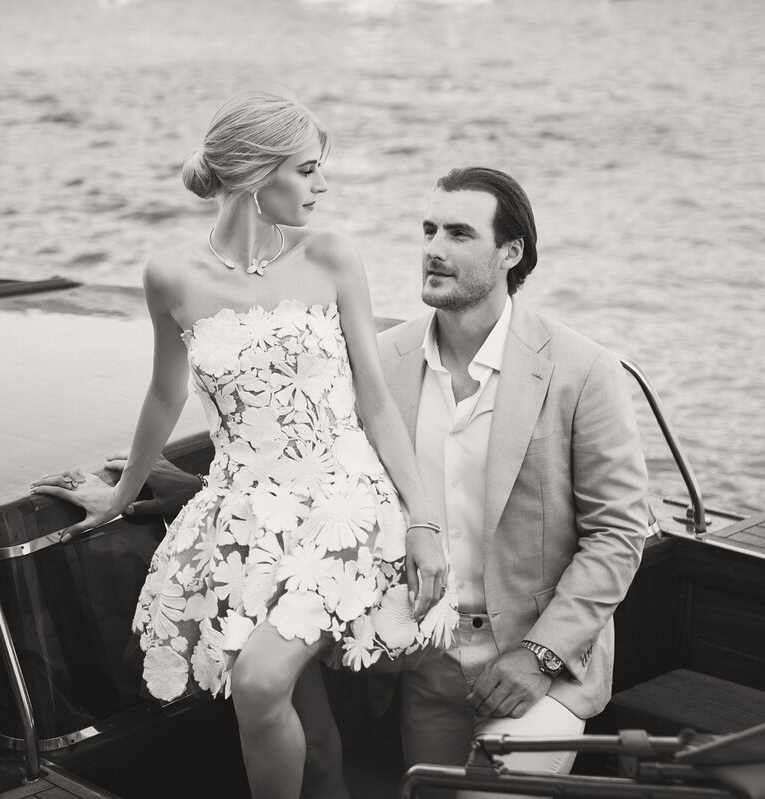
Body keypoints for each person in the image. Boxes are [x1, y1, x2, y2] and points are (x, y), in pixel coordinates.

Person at [92, 166, 650, 796]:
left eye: (460, 234)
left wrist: (541, 654)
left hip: (536, 665)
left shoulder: (585, 371)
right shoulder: (380, 362)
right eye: (429, 229)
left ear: (511, 252)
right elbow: (317, 471)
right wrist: (191, 491)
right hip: (424, 660)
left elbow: (619, 535)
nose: (434, 248)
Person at [31, 90, 458, 799]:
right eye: (309, 170)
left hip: (343, 507)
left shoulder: (332, 256)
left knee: (259, 682)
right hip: (245, 518)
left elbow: (377, 402)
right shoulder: (171, 274)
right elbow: (165, 396)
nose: (323, 186)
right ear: (259, 175)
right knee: (315, 743)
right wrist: (119, 496)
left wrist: (423, 520)